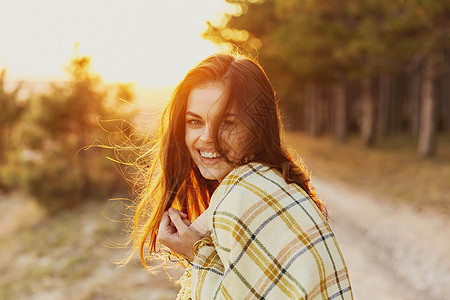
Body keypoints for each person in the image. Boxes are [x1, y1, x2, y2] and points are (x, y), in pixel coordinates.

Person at [129, 52, 353, 299]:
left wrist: (197, 254)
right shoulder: (270, 184)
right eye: (194, 122)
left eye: (226, 123)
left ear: (257, 127)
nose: (207, 137)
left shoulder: (243, 196)